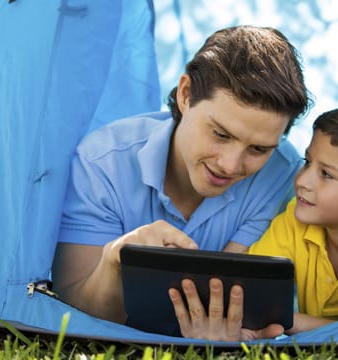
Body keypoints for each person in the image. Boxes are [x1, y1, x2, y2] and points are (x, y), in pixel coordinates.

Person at [51, 25, 311, 332]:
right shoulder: (102, 163)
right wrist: (114, 262)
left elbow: (233, 299)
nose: (230, 165)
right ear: (186, 95)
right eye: (220, 134)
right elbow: (71, 310)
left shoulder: (281, 173)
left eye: (258, 148)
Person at [169, 103, 338, 340]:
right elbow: (246, 291)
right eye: (307, 162)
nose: (302, 181)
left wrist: (288, 321)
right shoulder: (296, 219)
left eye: (326, 174)